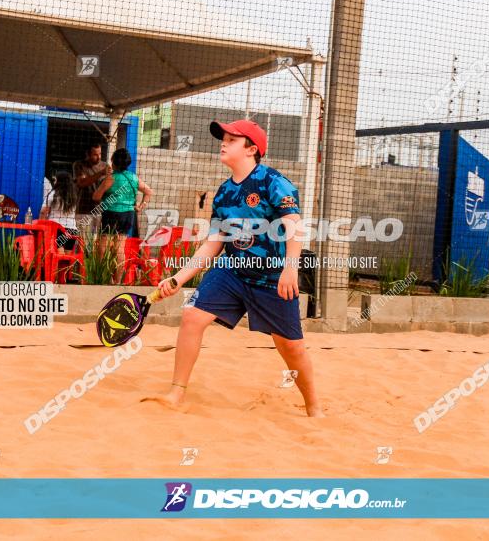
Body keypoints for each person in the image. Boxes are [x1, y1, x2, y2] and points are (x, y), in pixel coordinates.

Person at [144, 119, 323, 417]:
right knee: (191, 316)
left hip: (272, 277)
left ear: (251, 149)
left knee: (291, 348)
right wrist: (179, 278)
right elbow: (214, 243)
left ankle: (314, 406)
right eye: (223, 138)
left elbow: (294, 228)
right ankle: (176, 392)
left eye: (232, 139)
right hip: (232, 270)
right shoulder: (225, 192)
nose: (223, 143)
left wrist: (291, 268)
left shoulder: (274, 182)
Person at [92, 148, 152, 282]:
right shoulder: (133, 177)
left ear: (113, 162)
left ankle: (104, 279)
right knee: (120, 248)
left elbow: (96, 197)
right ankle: (118, 281)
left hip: (111, 214)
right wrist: (141, 206)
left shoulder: (111, 178)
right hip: (128, 215)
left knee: (103, 248)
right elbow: (148, 191)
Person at [73, 142, 111, 236]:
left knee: (97, 242)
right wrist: (101, 173)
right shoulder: (79, 165)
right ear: (88, 154)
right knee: (82, 242)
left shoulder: (105, 166)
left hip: (100, 211)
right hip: (83, 210)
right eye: (95, 154)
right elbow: (82, 183)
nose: (98, 157)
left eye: (100, 154)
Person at [40, 171, 78, 252]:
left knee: (58, 253)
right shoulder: (73, 195)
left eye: (55, 180)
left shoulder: (53, 194)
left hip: (57, 229)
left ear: (59, 181)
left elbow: (43, 212)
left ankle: (60, 264)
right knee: (68, 256)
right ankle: (68, 265)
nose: (54, 182)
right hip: (72, 229)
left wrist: (41, 225)